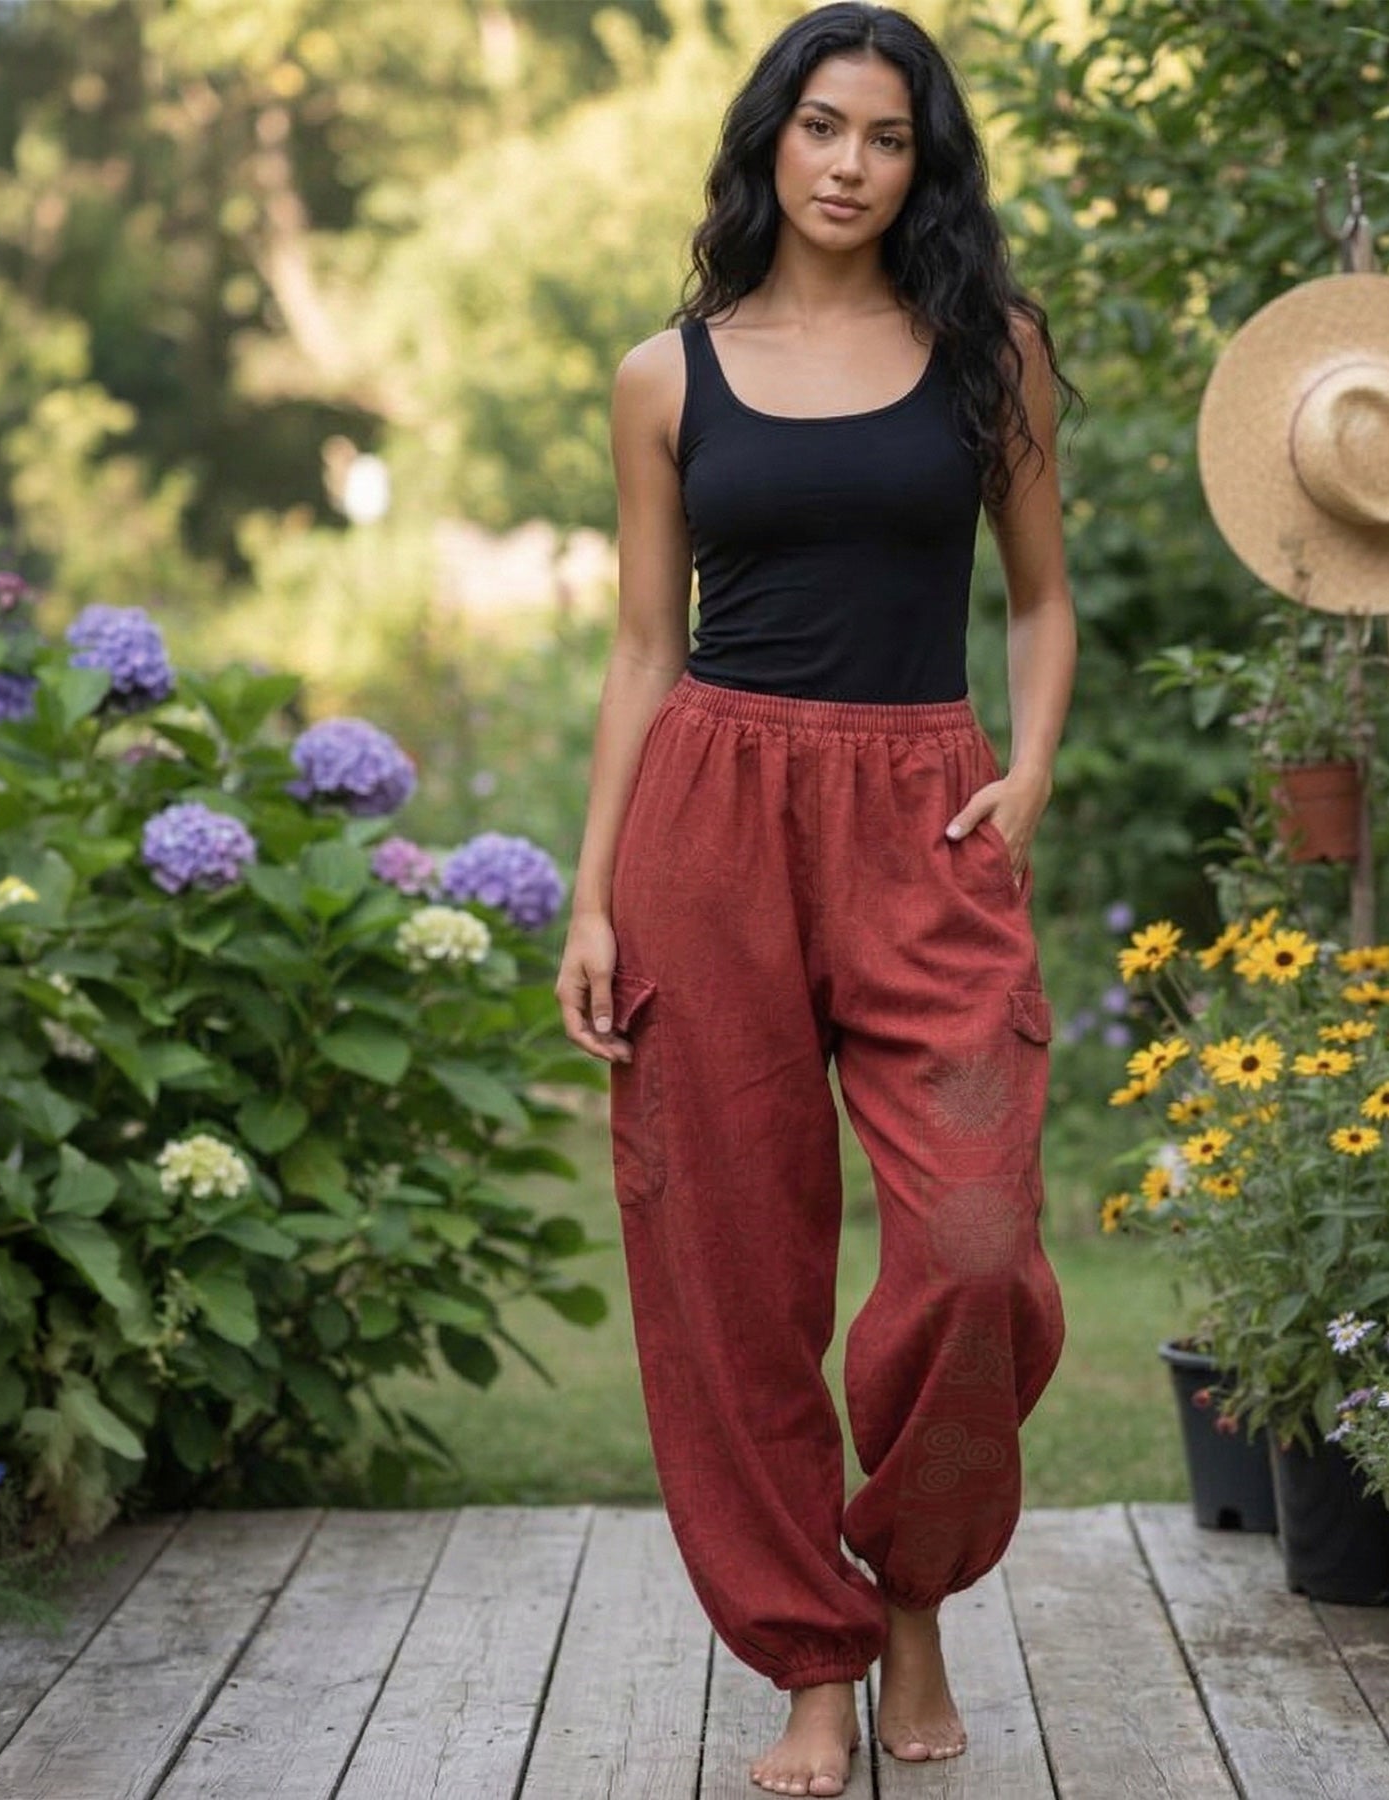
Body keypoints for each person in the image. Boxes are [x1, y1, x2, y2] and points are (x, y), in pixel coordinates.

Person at [557, 5, 1078, 1794]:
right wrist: (593, 897)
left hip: (926, 818)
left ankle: (912, 1583)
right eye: (824, 128)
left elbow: (1039, 599)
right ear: (769, 140)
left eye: (889, 140)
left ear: (922, 166)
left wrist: (1032, 762)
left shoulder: (984, 348)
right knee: (729, 1263)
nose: (852, 165)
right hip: (710, 822)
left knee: (975, 1249)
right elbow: (642, 647)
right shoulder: (665, 374)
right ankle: (810, 1657)